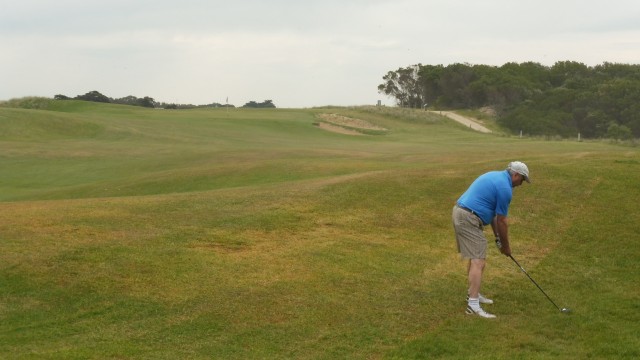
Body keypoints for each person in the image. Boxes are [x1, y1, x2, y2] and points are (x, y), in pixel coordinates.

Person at [452, 161, 530, 318]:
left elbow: (494, 215)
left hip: (463, 214)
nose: (521, 184)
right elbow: (502, 221)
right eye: (521, 180)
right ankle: (473, 305)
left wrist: (497, 238)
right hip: (468, 217)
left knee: (478, 259)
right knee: (478, 261)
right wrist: (506, 247)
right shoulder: (504, 188)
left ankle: (472, 294)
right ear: (515, 175)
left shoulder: (496, 176)